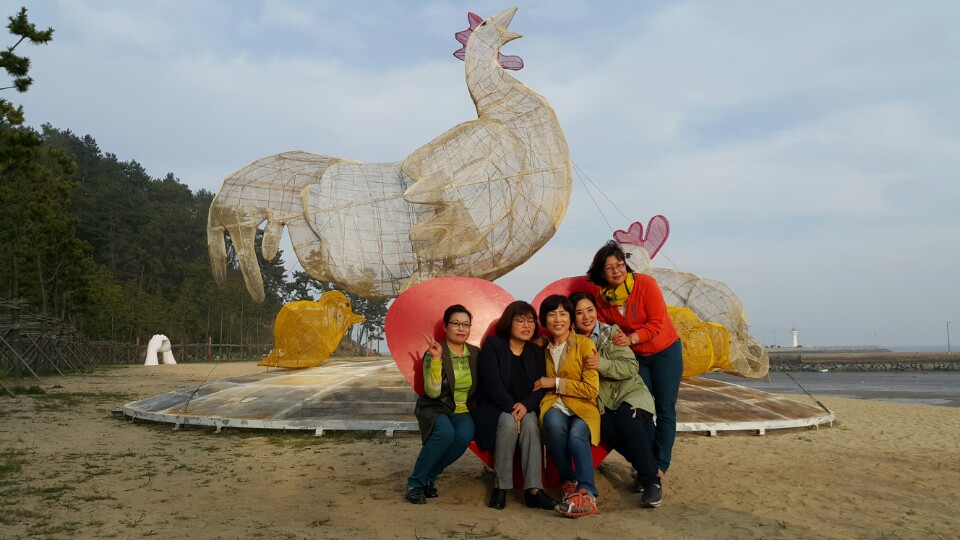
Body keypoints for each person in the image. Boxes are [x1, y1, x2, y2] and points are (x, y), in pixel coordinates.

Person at [587, 240, 683, 477]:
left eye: (619, 264)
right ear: (601, 273)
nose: (616, 270)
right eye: (609, 267)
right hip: (637, 358)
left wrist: (631, 338)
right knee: (640, 410)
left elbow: (657, 322)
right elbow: (603, 330)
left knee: (665, 409)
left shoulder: (645, 284)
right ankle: (646, 464)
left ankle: (660, 466)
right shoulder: (601, 300)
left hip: (665, 351)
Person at [570, 291, 662, 508]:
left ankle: (652, 482)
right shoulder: (571, 342)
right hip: (603, 403)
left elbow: (631, 367)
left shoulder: (611, 334)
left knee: (626, 418)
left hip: (629, 393)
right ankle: (647, 467)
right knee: (606, 429)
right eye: (579, 313)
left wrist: (600, 363)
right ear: (572, 318)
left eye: (590, 310)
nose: (586, 317)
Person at [474, 301, 558, 511]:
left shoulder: (536, 351)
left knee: (530, 424)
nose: (526, 325)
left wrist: (525, 406)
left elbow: (539, 387)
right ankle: (501, 486)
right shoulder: (494, 345)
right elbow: (491, 382)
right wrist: (513, 408)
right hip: (497, 407)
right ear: (508, 323)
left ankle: (534, 491)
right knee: (509, 423)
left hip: (526, 407)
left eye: (530, 320)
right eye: (520, 320)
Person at [533, 294, 601, 518]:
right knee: (552, 423)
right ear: (544, 319)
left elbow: (591, 389)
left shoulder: (584, 344)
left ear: (571, 319)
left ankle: (587, 493)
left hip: (583, 406)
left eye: (563, 314)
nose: (557, 319)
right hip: (555, 404)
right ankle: (569, 481)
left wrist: (555, 383)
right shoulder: (543, 348)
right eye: (552, 314)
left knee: (576, 436)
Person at [405, 304, 480, 504]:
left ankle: (429, 477)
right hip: (435, 406)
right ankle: (415, 483)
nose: (461, 328)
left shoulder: (475, 354)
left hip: (462, 409)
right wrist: (437, 359)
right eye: (456, 323)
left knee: (464, 436)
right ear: (446, 327)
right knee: (444, 433)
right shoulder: (434, 351)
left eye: (466, 324)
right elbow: (432, 392)